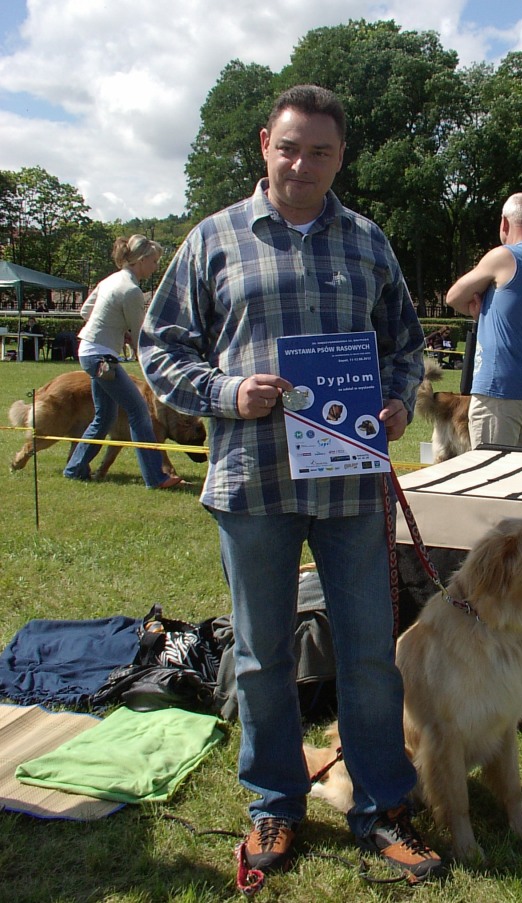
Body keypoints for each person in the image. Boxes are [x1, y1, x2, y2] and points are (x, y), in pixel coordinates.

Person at [138, 85, 442, 880]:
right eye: (289, 146)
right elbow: (160, 347)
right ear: (265, 144)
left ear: (341, 157)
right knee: (262, 657)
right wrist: (225, 392)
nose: (302, 163)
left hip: (351, 487)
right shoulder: (213, 240)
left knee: (372, 655)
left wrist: (401, 400)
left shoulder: (368, 242)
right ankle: (275, 807)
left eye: (321, 151)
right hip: (253, 484)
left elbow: (406, 345)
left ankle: (383, 806)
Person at [63, 234, 186, 488]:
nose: (155, 267)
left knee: (104, 417)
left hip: (90, 351)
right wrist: (150, 365)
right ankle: (156, 478)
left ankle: (74, 469)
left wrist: (114, 329)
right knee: (139, 412)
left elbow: (86, 311)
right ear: (141, 260)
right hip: (101, 357)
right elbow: (141, 336)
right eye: (153, 261)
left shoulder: (110, 280)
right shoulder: (131, 291)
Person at [446, 192, 522, 449]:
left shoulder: (504, 256)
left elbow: (453, 297)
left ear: (504, 223)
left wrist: (480, 309)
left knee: (489, 477)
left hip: (499, 388)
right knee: (518, 477)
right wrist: (489, 311)